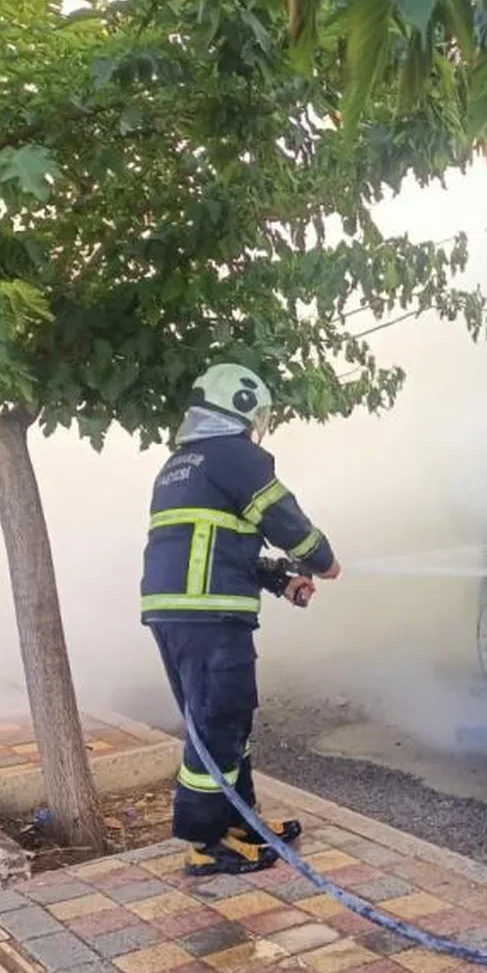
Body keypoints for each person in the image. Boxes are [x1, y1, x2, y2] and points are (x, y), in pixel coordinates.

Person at [141, 363, 341, 875]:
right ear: (242, 407)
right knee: (215, 726)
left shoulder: (181, 464)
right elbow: (282, 517)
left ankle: (239, 821)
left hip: (183, 616)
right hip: (209, 620)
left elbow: (219, 548)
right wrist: (321, 559)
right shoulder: (235, 455)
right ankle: (206, 845)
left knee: (226, 722)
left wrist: (281, 580)